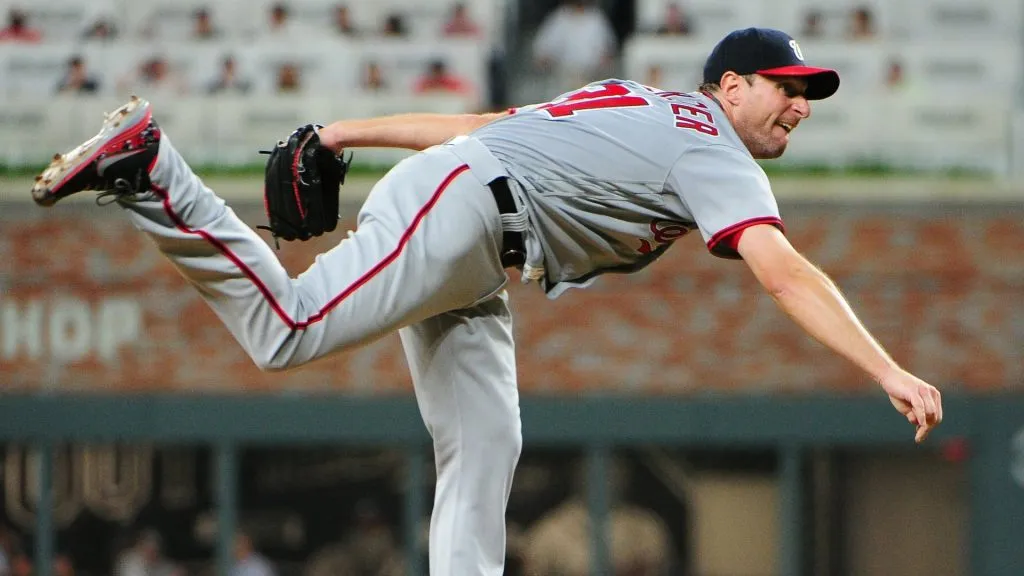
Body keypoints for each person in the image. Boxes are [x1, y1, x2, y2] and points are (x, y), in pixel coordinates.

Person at [31, 27, 943, 576]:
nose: (803, 106)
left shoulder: (641, 104)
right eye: (790, 90)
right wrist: (887, 367)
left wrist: (346, 130)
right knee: (289, 329)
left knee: (488, 437)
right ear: (733, 86)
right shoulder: (711, 144)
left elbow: (485, 124)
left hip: (474, 238)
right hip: (467, 214)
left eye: (810, 95)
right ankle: (156, 172)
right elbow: (782, 269)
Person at [532, 0, 615, 81]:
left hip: (591, 77)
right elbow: (542, 52)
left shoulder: (596, 18)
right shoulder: (559, 17)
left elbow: (608, 51)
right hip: (561, 77)